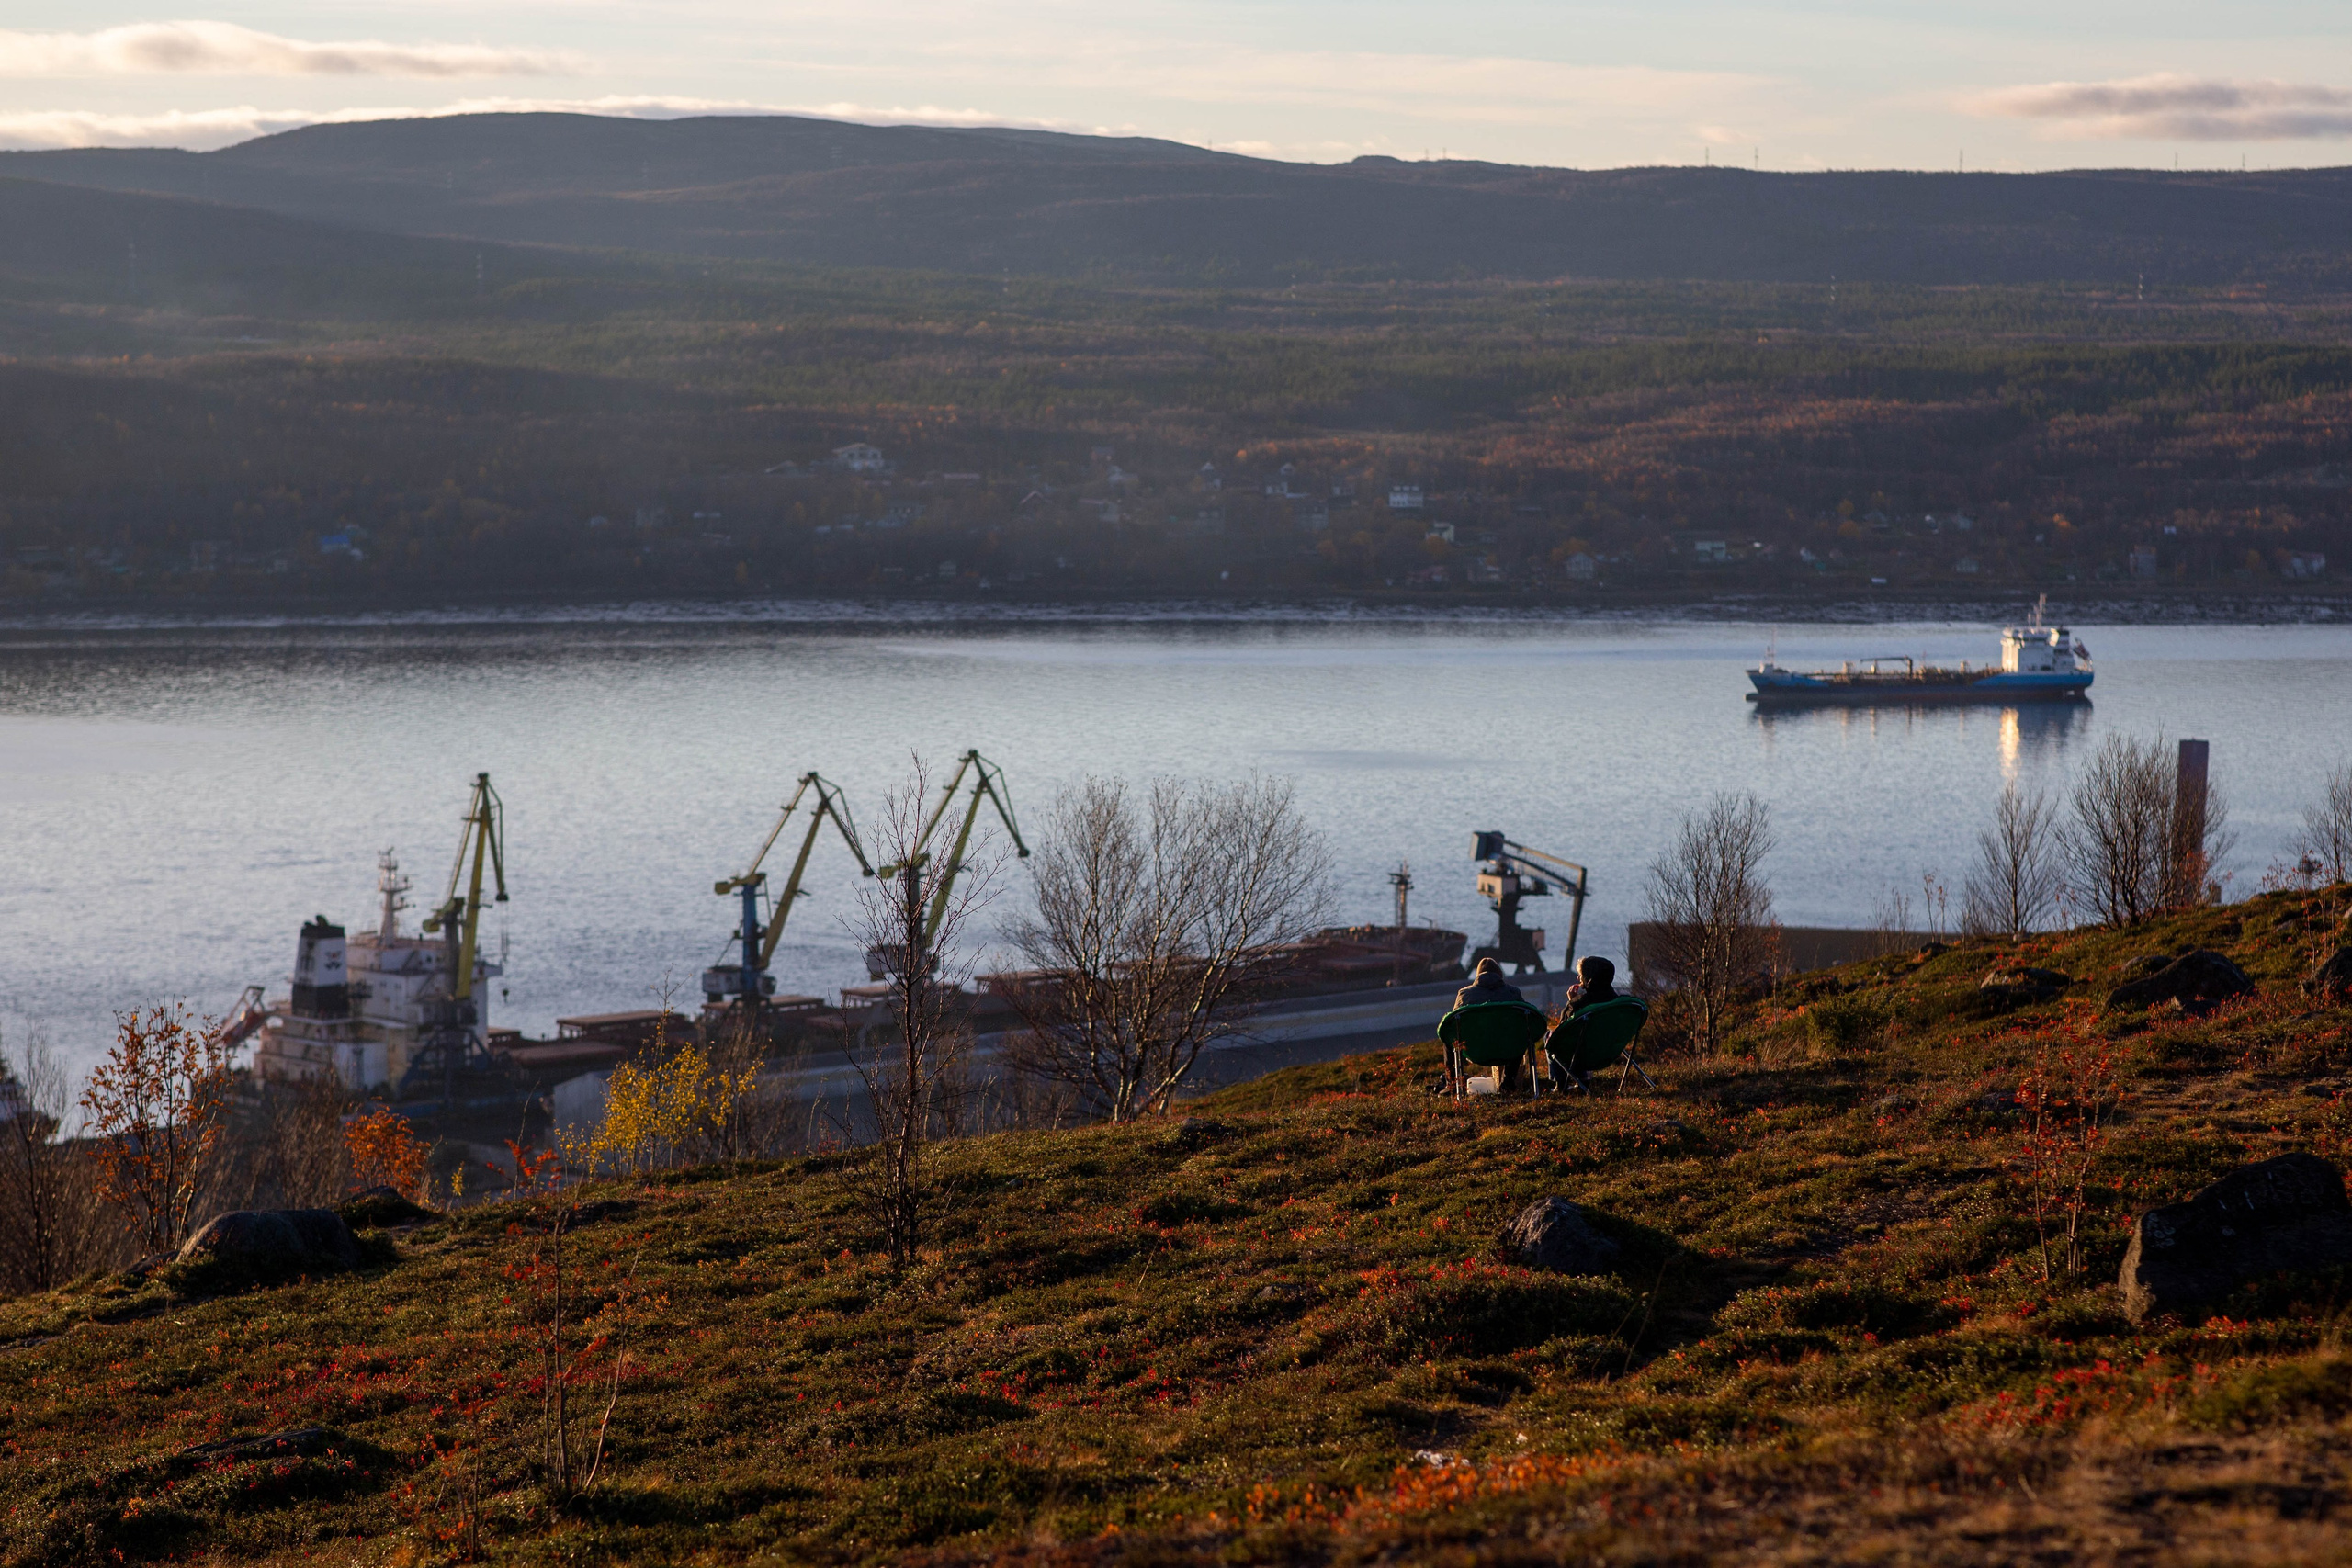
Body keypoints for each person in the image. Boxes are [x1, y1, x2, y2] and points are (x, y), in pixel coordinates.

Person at [1453, 956, 1525, 1010]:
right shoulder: (1513, 993)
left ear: (1478, 976)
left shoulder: (1465, 995)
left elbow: (1452, 1023)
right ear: (1500, 975)